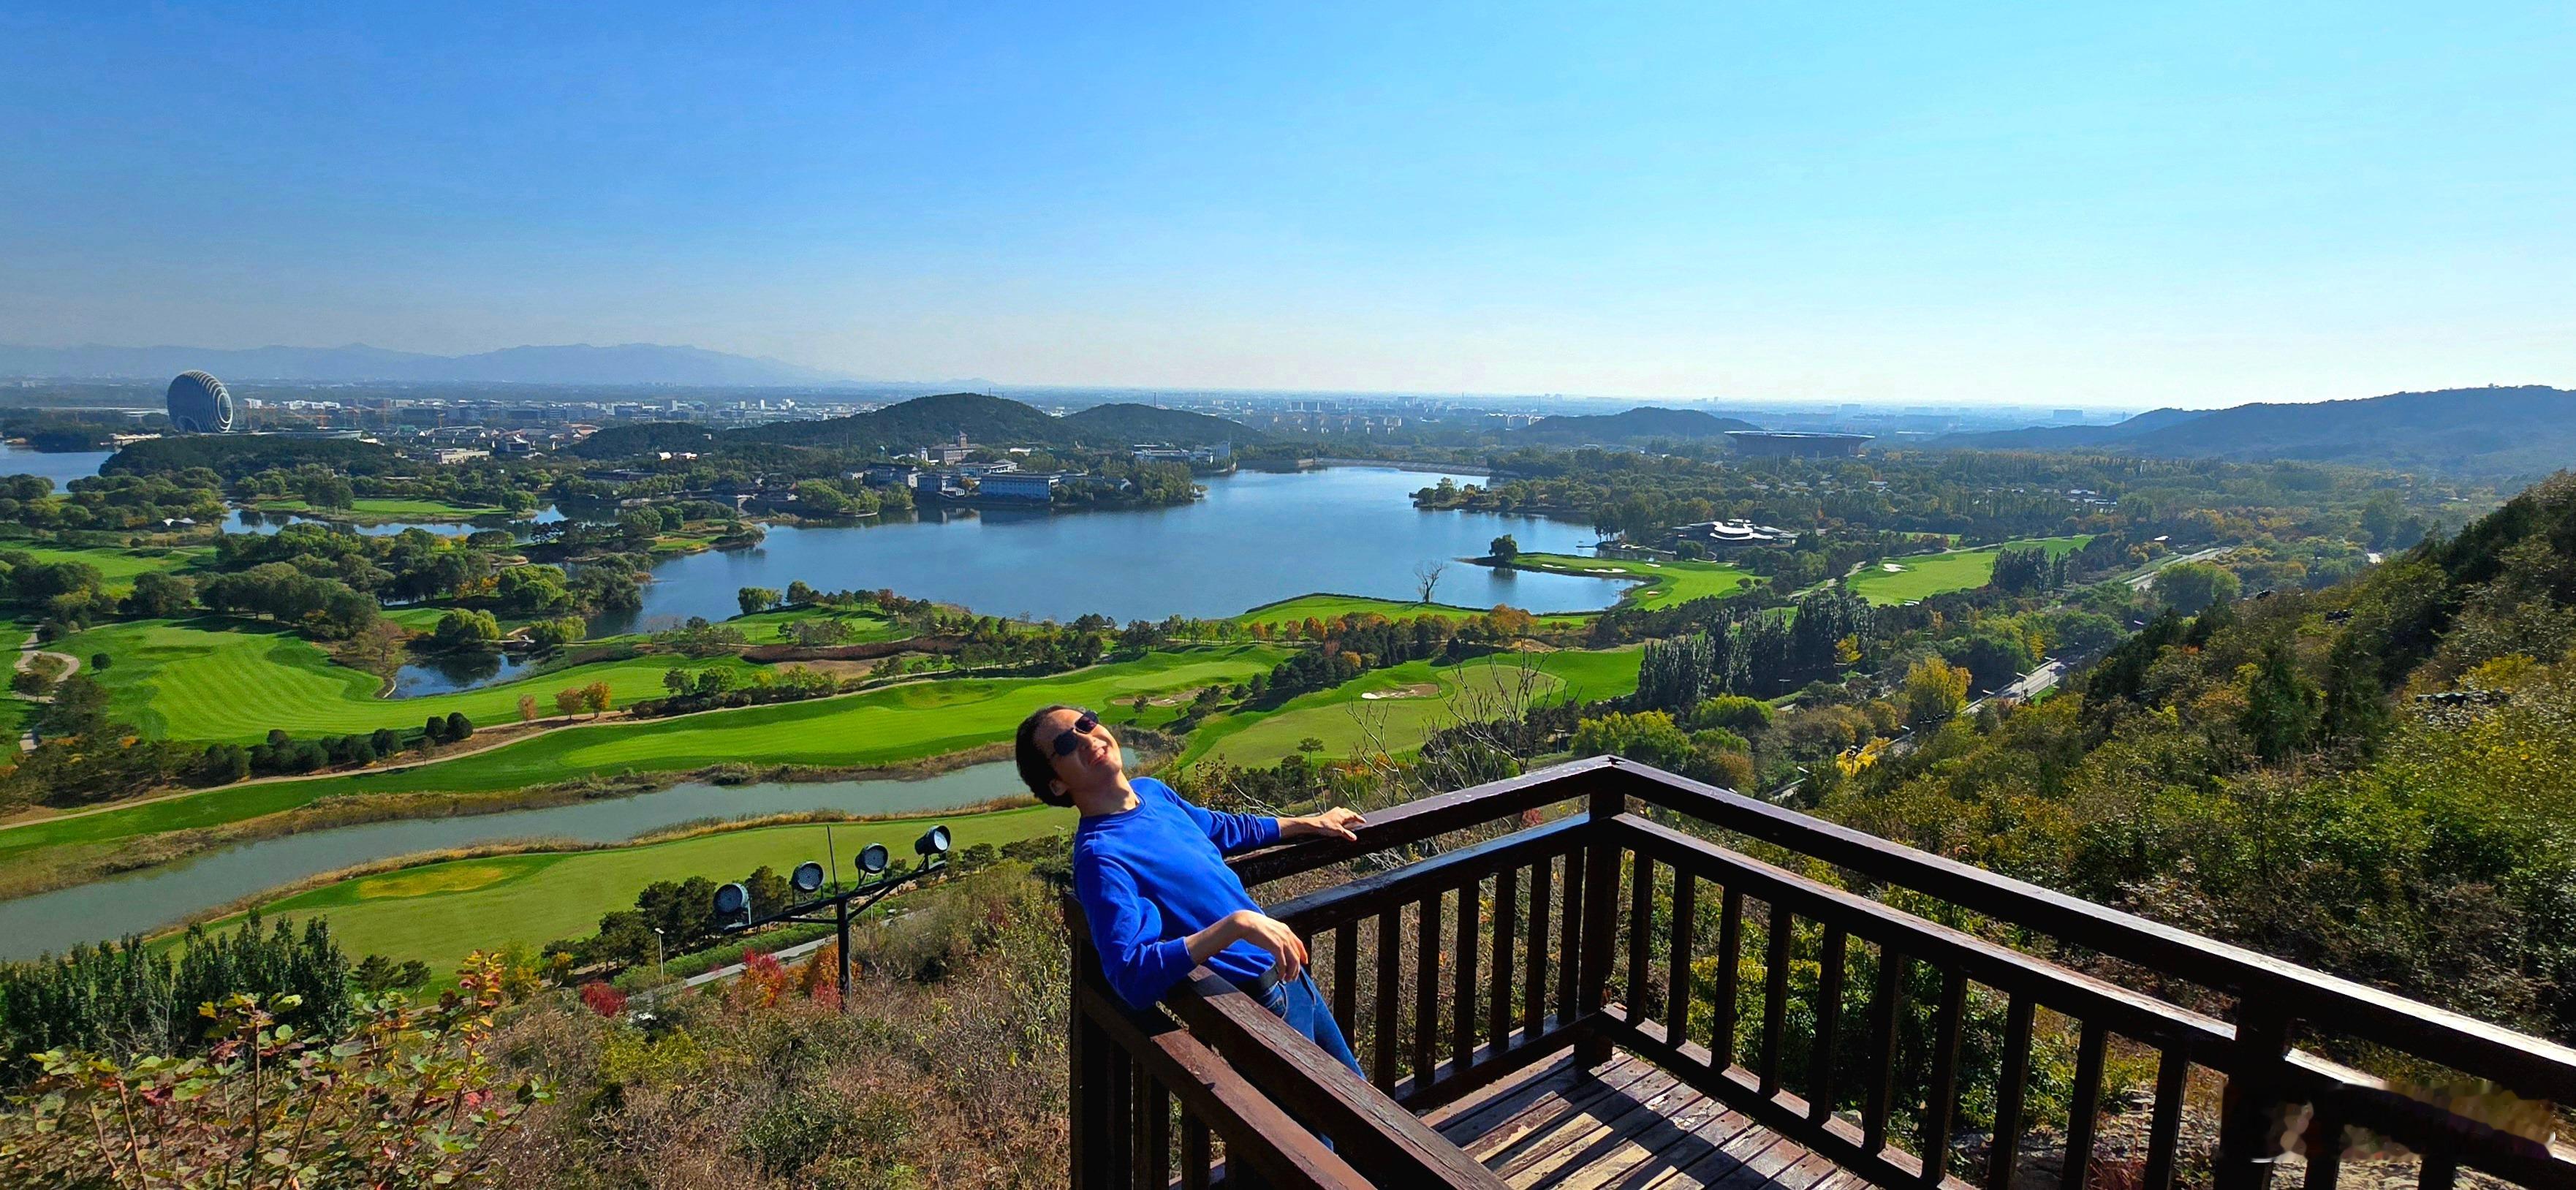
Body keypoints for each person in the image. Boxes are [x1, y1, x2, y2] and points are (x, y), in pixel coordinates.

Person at [1017, 702, 1366, 1077]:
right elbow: (1130, 975)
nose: (1086, 739)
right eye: (1067, 744)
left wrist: (1306, 823)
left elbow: (1219, 828)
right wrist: (1237, 925)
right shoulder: (1101, 857)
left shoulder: (1153, 793)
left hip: (1290, 974)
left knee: (1362, 1109)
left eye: (1086, 724)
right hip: (1257, 1003)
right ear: (1056, 784)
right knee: (1315, 1134)